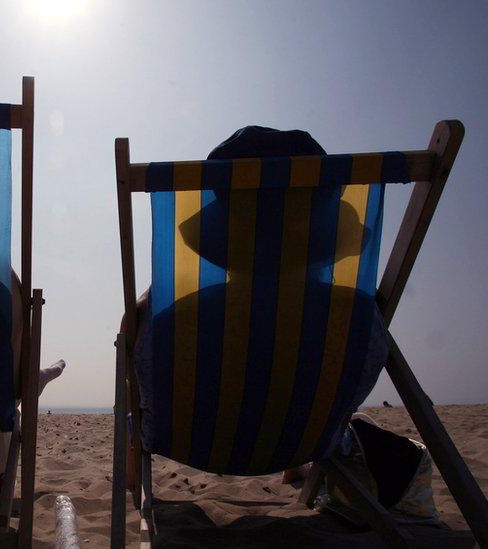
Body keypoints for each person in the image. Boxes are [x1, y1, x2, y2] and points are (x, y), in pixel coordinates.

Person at [123, 127, 388, 486]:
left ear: (224, 241)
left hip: (192, 443)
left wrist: (139, 309)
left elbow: (137, 353)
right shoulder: (353, 316)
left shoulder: (180, 318)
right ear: (326, 238)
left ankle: (131, 478)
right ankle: (295, 470)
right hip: (305, 443)